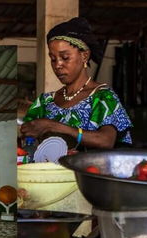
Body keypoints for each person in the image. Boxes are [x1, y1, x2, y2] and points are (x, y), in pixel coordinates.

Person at [20, 17, 132, 149]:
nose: (58, 65)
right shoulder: (45, 102)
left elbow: (105, 141)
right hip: (49, 170)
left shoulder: (102, 97)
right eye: (53, 59)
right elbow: (27, 137)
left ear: (84, 56)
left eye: (65, 57)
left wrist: (52, 126)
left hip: (86, 169)